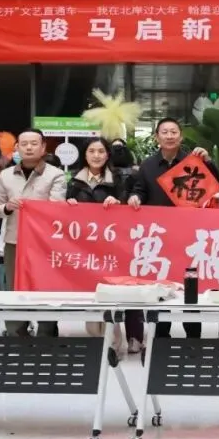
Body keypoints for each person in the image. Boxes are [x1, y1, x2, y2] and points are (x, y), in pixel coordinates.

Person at [128, 117, 219, 340]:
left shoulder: (193, 160)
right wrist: (135, 197)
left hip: (190, 237)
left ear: (181, 136)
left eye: (174, 132)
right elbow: (140, 189)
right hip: (160, 238)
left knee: (191, 289)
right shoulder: (148, 165)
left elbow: (217, 183)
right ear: (157, 137)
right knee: (161, 288)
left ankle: (193, 340)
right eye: (165, 132)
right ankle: (161, 339)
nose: (169, 136)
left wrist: (208, 162)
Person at [0, 128, 67, 337]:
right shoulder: (6, 175)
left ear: (43, 147)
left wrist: (32, 206)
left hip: (44, 244)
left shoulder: (56, 174)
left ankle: (46, 336)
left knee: (46, 289)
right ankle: (16, 335)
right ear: (17, 147)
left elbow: (57, 208)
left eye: (34, 144)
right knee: (14, 289)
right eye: (24, 144)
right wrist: (7, 207)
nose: (29, 147)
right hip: (14, 241)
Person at [66, 137, 128, 354]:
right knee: (90, 294)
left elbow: (129, 206)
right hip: (84, 248)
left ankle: (115, 344)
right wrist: (69, 205)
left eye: (101, 151)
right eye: (91, 151)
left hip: (112, 247)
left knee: (111, 295)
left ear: (107, 154)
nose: (96, 155)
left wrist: (119, 203)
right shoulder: (74, 181)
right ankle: (95, 342)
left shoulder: (119, 178)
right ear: (85, 155)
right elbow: (64, 213)